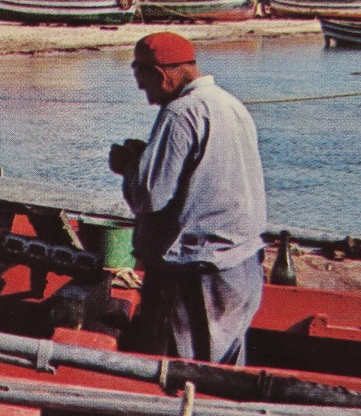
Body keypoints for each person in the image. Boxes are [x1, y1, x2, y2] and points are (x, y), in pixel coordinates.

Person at [108, 31, 267, 365]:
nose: (143, 92)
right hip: (241, 265)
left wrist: (129, 168)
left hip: (198, 272)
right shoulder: (231, 104)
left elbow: (150, 198)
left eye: (143, 82)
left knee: (181, 374)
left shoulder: (180, 113)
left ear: (161, 74)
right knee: (224, 370)